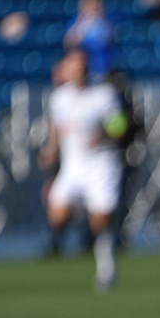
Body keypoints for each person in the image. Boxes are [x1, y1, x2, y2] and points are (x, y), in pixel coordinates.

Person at [39, 48, 129, 291]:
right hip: (73, 166)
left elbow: (120, 126)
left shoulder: (103, 94)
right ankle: (85, 214)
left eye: (83, 65)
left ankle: (106, 267)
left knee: (101, 220)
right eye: (74, 65)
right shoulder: (59, 98)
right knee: (57, 215)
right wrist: (51, 152)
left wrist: (103, 134)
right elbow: (57, 131)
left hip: (101, 163)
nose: (79, 70)